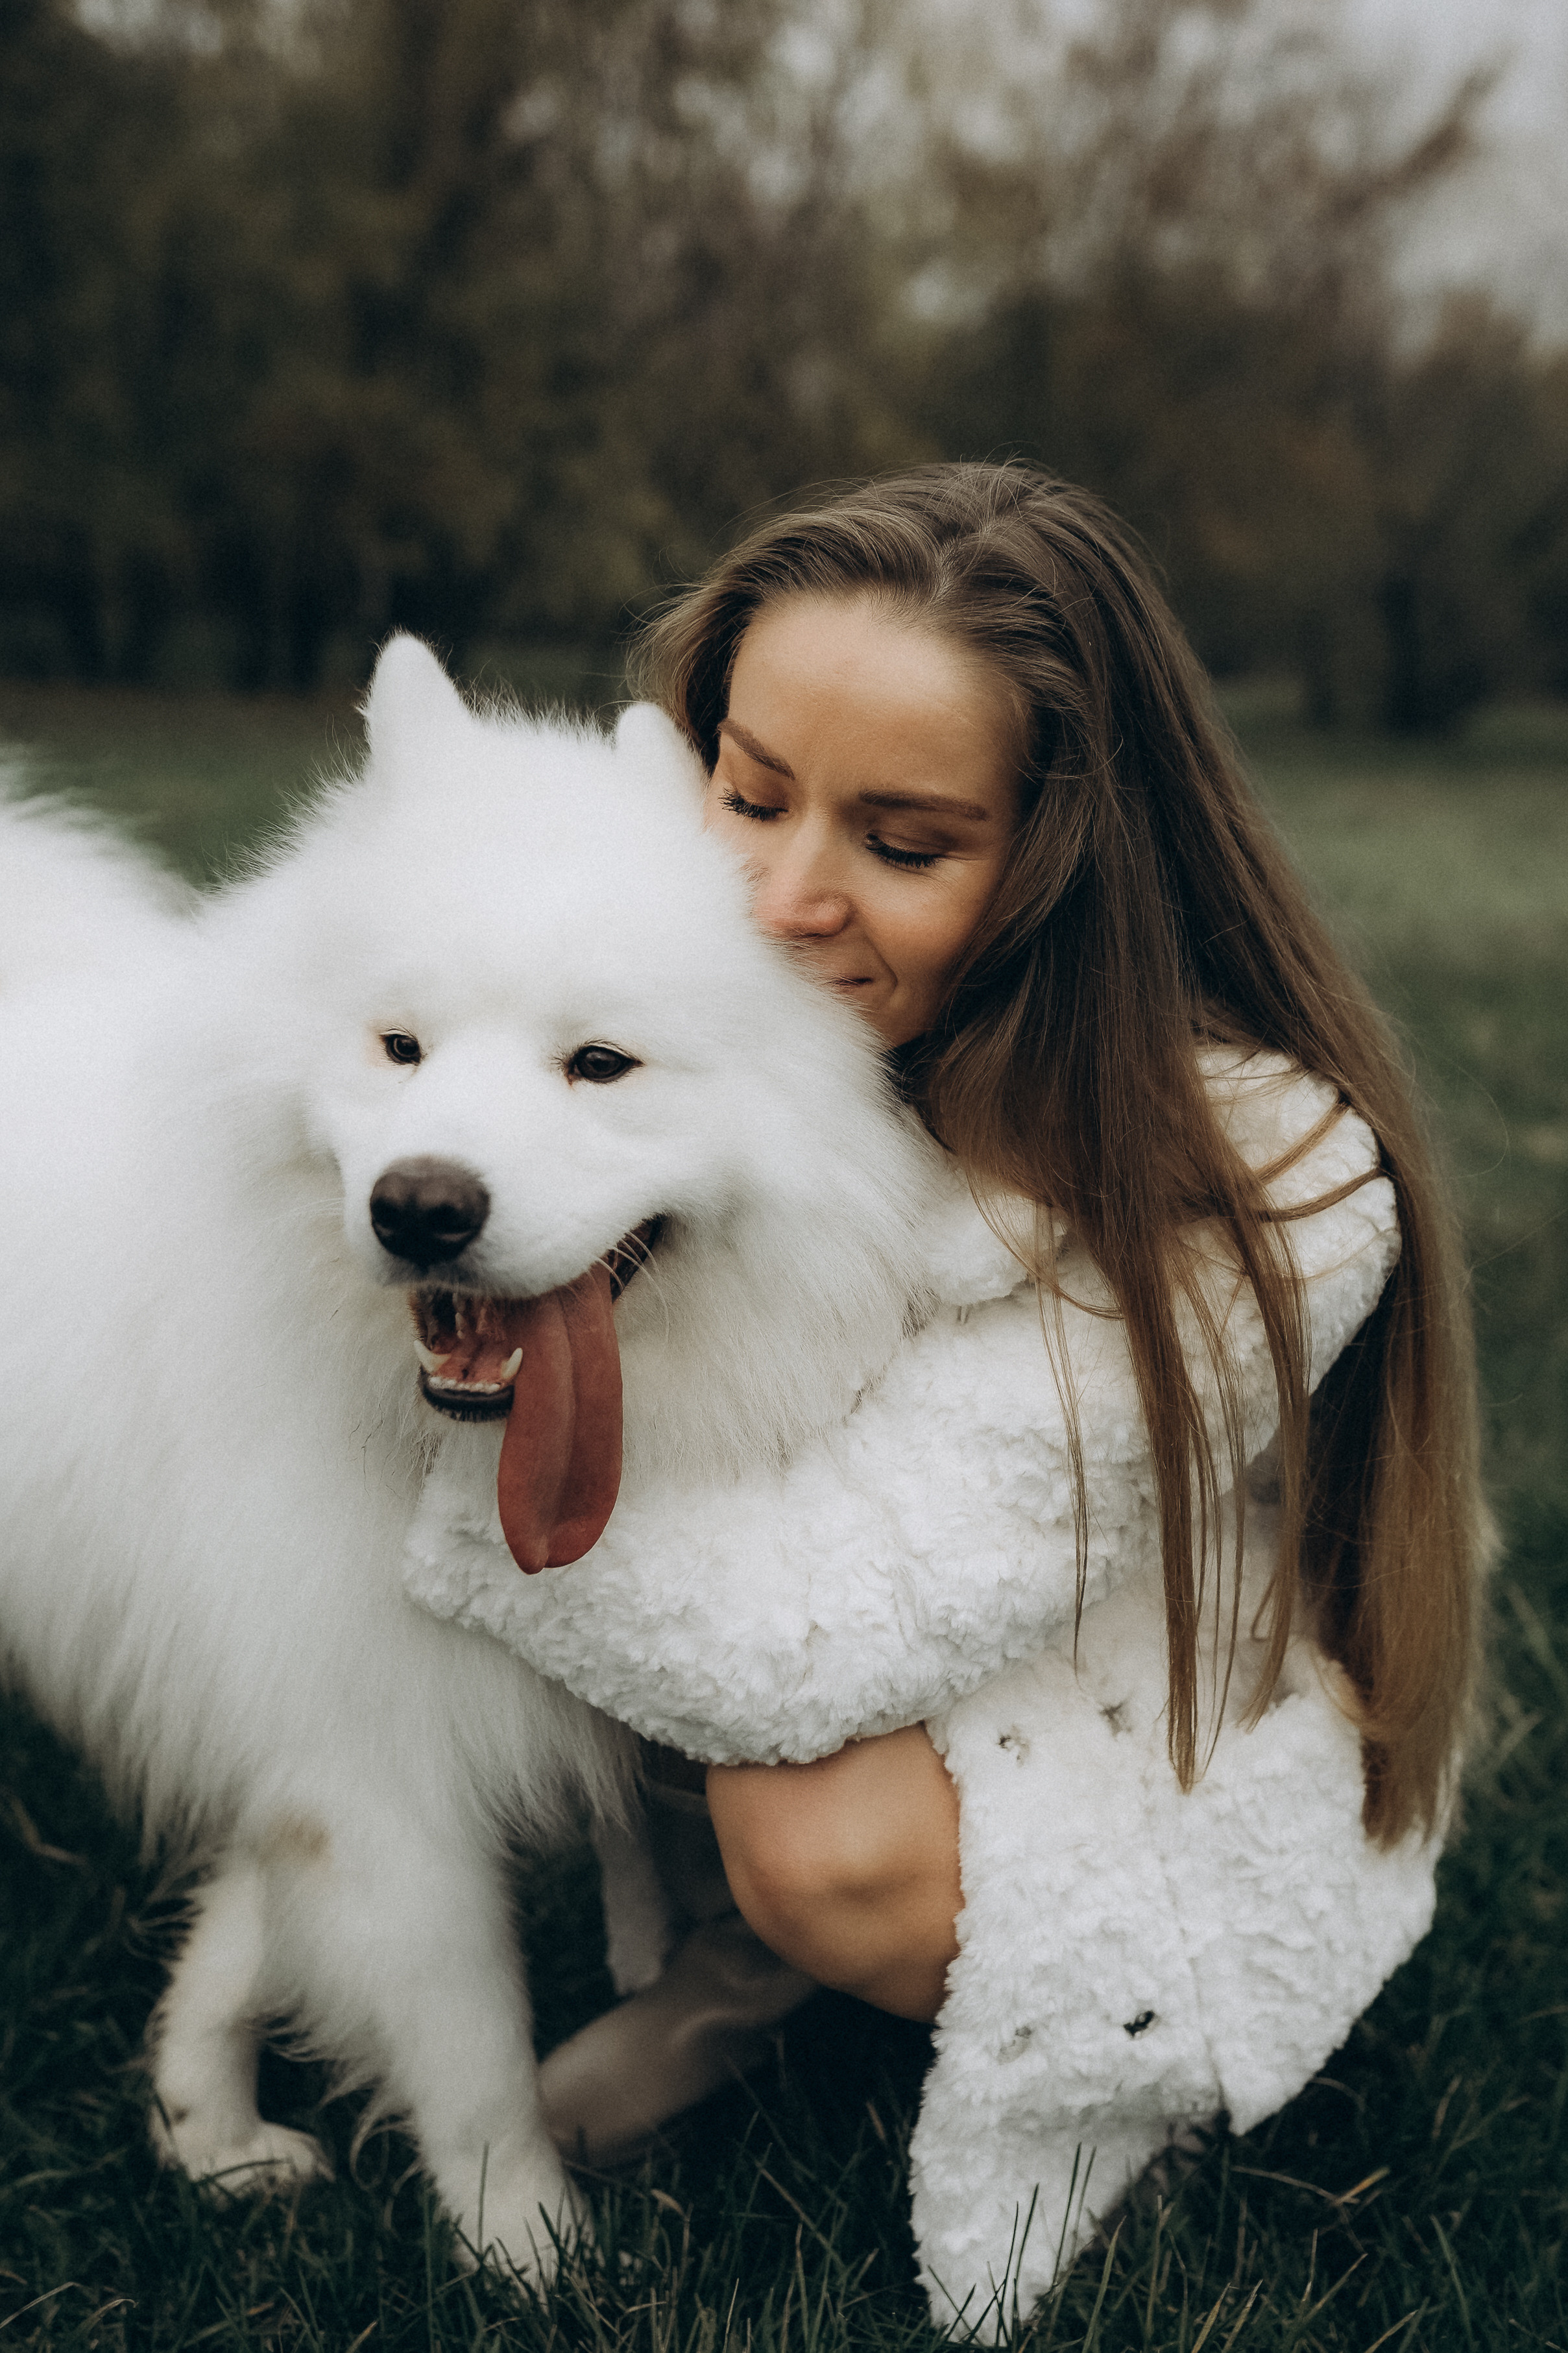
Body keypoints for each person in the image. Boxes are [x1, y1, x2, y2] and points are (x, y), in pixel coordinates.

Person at [523, 461, 1486, 2320]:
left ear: (1063, 861)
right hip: (827, 1590)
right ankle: (741, 1973)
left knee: (817, 1830)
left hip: (1087, 1672)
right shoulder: (673, 1024)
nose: (784, 896)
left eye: (901, 841)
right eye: (745, 791)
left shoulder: (1253, 1173)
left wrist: (472, 1511)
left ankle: (1070, 2027)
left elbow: (839, 1620)